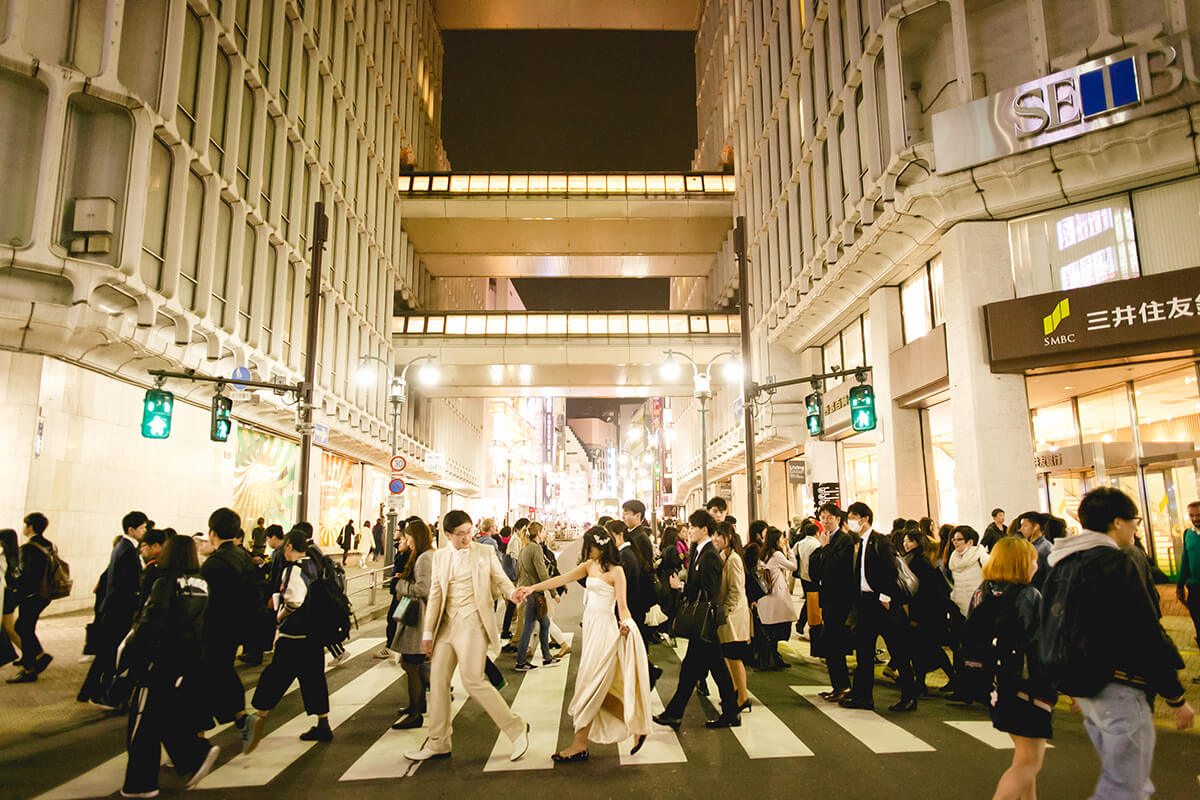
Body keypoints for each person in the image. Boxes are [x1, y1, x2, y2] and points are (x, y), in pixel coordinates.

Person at [1040, 487, 1194, 798]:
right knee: (1125, 786)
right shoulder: (1115, 561)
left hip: (1088, 689)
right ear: (1117, 522)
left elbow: (1050, 626)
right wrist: (1175, 696)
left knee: (1126, 781)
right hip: (1120, 685)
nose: (1137, 528)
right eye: (1135, 520)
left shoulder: (1064, 562)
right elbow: (1143, 630)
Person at [515, 526, 651, 761]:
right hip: (591, 629)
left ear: (600, 546)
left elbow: (623, 606)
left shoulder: (617, 571)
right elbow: (561, 578)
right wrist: (533, 588)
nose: (586, 551)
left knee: (590, 686)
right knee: (598, 688)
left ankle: (580, 744)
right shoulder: (589, 566)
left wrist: (627, 624)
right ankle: (634, 726)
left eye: (589, 547)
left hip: (606, 632)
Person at [404, 511, 530, 763]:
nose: (465, 538)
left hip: (472, 622)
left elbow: (501, 579)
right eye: (459, 534)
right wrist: (428, 633)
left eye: (469, 532)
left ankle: (516, 728)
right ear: (447, 535)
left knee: (472, 679)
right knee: (438, 682)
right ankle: (438, 742)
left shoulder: (483, 552)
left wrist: (512, 594)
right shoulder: (440, 556)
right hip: (446, 626)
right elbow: (436, 595)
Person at [120, 535, 220, 797]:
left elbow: (150, 623)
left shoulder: (165, 583)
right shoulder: (201, 584)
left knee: (143, 722)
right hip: (184, 660)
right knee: (159, 717)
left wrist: (130, 657)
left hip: (158, 659)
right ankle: (149, 779)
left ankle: (149, 779)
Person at [967, 536, 1054, 800]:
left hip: (996, 684)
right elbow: (1040, 646)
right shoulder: (1029, 595)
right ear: (1020, 564)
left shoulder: (982, 592)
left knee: (1023, 757)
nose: (1036, 565)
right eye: (1033, 560)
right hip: (1028, 687)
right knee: (1029, 763)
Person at [244, 529, 333, 752]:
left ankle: (258, 719)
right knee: (313, 679)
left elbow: (294, 601)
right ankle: (323, 724)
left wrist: (280, 615)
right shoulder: (315, 564)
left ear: (290, 546)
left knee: (275, 676)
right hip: (313, 635)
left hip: (294, 635)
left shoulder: (295, 569)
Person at [652, 508, 741, 731]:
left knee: (697, 669)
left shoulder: (709, 554)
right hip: (704, 622)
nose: (689, 531)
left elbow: (710, 590)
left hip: (705, 620)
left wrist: (681, 586)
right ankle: (726, 712)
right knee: (705, 669)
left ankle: (677, 713)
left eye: (692, 527)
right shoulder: (700, 550)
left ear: (704, 529)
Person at [841, 502, 919, 713]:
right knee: (864, 652)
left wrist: (885, 596)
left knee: (898, 652)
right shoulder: (858, 542)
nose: (851, 522)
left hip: (884, 604)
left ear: (864, 519)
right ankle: (863, 696)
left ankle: (909, 696)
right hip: (866, 604)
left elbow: (890, 571)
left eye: (853, 517)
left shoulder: (880, 541)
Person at [200, 507, 261, 751]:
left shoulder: (214, 564)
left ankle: (202, 736)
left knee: (207, 678)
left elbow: (207, 602)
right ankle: (239, 718)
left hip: (215, 628)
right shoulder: (243, 556)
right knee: (222, 672)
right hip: (238, 627)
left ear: (212, 532)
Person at [79, 511, 147, 708]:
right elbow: (127, 584)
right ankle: (97, 692)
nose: (144, 531)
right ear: (131, 529)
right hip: (118, 610)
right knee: (109, 653)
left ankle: (91, 691)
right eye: (142, 527)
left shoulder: (123, 547)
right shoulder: (126, 549)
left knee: (107, 652)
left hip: (114, 608)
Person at [901, 531, 956, 695]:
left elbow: (925, 591)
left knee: (928, 648)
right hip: (924, 611)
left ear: (919, 542)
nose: (906, 544)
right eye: (905, 541)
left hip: (924, 612)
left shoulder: (919, 561)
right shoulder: (914, 559)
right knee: (921, 648)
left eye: (910, 541)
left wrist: (916, 615)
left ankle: (951, 678)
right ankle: (922, 682)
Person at [809, 503, 854, 702]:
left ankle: (843, 686)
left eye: (829, 517)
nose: (825, 521)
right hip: (827, 598)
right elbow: (816, 570)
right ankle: (837, 686)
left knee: (834, 643)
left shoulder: (844, 540)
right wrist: (822, 549)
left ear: (838, 518)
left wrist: (825, 548)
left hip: (840, 599)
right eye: (822, 517)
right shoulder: (825, 539)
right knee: (830, 645)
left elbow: (836, 567)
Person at [391, 520, 434, 728]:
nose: (404, 540)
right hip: (418, 617)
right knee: (410, 663)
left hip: (419, 617)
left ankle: (416, 711)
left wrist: (401, 584)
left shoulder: (424, 558)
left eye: (407, 536)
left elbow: (423, 589)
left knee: (412, 663)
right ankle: (419, 703)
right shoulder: (424, 555)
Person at [6, 514, 56, 682]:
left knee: (23, 628)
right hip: (44, 594)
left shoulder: (29, 548)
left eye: (25, 524)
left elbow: (25, 575)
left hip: (31, 595)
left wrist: (15, 589)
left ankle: (29, 669)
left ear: (31, 527)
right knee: (24, 627)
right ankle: (39, 657)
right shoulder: (49, 545)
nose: (24, 528)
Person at [713, 522, 751, 712]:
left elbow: (736, 589)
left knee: (734, 656)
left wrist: (726, 611)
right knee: (727, 656)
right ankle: (735, 692)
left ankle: (743, 697)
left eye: (720, 535)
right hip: (728, 615)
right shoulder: (723, 556)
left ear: (729, 537)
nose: (716, 539)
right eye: (714, 535)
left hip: (733, 615)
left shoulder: (734, 558)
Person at [515, 522, 558, 672]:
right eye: (543, 531)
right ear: (538, 533)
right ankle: (521, 662)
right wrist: (554, 593)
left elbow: (518, 571)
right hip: (534, 593)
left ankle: (547, 657)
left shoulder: (524, 548)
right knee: (529, 626)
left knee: (544, 623)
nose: (544, 534)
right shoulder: (536, 548)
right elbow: (543, 573)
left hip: (526, 590)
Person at [756, 527, 797, 670]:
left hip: (766, 597)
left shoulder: (763, 553)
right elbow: (793, 566)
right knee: (776, 631)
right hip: (776, 597)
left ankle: (771, 659)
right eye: (781, 539)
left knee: (770, 630)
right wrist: (789, 549)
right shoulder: (777, 555)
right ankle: (772, 660)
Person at [948, 525, 988, 618]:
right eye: (953, 539)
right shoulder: (954, 559)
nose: (955, 542)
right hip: (958, 608)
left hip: (978, 608)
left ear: (970, 542)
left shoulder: (981, 557)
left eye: (959, 539)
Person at [1177, 500, 1200, 658]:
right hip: (1195, 588)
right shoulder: (1188, 534)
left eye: (1198, 515)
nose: (1195, 519)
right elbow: (1185, 561)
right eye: (1192, 515)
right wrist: (1179, 586)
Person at [792, 520, 821, 640]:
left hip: (803, 576)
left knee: (809, 600)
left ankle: (802, 623)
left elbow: (792, 554)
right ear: (817, 533)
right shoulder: (817, 544)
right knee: (813, 601)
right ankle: (808, 625)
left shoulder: (800, 543)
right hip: (814, 577)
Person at [1016, 511, 1053, 591]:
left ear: (1036, 527)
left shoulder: (1046, 548)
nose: (1021, 529)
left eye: (1025, 526)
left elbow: (1050, 577)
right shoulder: (1025, 546)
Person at [1, 529, 21, 668]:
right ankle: (32, 655)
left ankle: (35, 655)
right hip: (13, 595)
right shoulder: (17, 555)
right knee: (8, 628)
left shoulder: (5, 558)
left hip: (6, 596)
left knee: (8, 628)